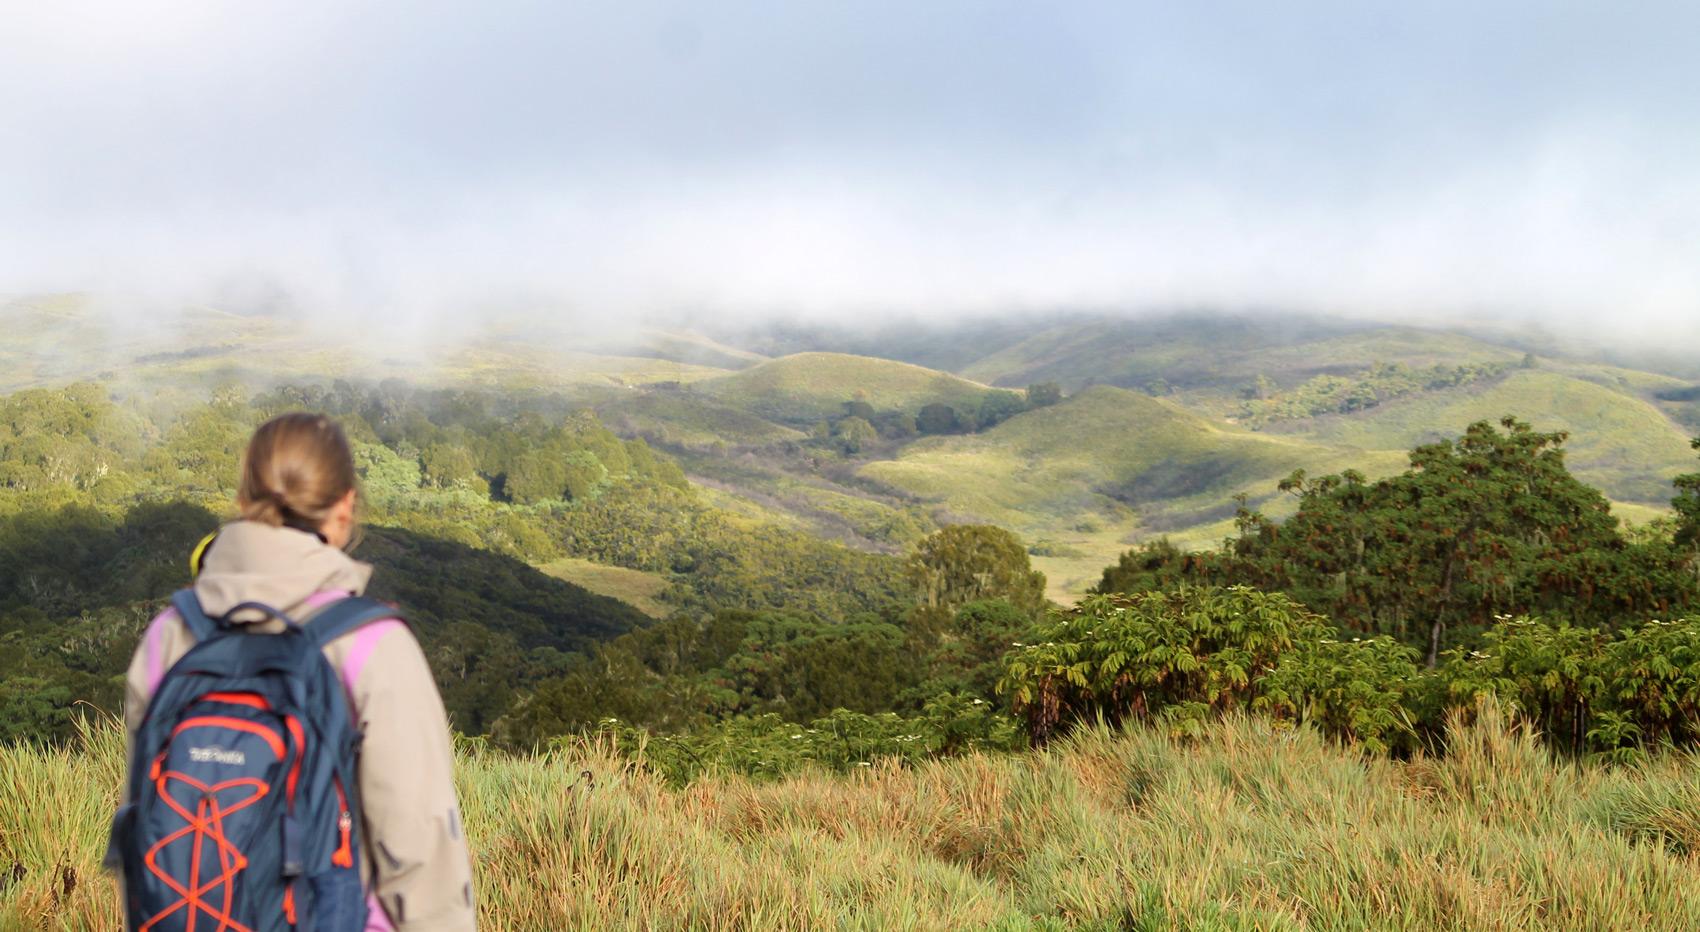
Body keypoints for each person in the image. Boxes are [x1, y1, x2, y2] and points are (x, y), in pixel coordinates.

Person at [121, 412, 477, 931]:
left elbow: (143, 822)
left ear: (245, 500)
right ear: (345, 508)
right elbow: (420, 851)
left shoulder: (169, 635)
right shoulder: (371, 646)